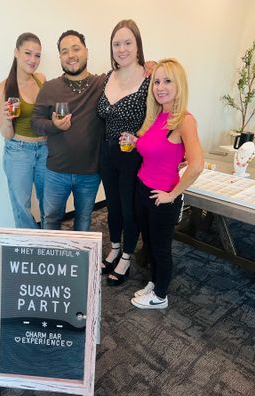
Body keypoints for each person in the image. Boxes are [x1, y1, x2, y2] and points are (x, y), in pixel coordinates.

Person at [129, 58, 204, 310]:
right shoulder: (158, 115)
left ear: (179, 85)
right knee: (149, 244)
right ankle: (155, 281)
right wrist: (133, 138)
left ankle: (160, 295)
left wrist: (173, 195)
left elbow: (196, 165)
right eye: (157, 81)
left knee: (161, 249)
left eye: (167, 81)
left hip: (162, 197)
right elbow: (148, 146)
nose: (160, 87)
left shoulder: (184, 120)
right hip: (142, 190)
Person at [31, 30, 105, 231]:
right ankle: (51, 260)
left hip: (90, 172)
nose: (71, 55)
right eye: (64, 51)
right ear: (60, 58)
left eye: (76, 49)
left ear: (87, 52)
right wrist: (54, 126)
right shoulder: (50, 87)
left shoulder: (102, 84)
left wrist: (147, 65)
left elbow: (127, 73)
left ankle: (79, 262)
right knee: (51, 219)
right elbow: (35, 122)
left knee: (83, 221)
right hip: (56, 171)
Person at [97, 19, 151, 286]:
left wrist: (139, 137)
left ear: (138, 46)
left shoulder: (149, 78)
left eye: (128, 42)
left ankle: (127, 256)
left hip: (132, 155)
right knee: (113, 207)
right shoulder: (108, 76)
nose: (122, 48)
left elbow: (154, 119)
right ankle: (115, 247)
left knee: (129, 210)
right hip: (106, 153)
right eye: (116, 43)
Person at [0, 32, 48, 229]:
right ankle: (30, 247)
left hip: (45, 149)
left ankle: (49, 243)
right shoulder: (3, 89)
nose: (33, 60)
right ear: (16, 52)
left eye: (37, 55)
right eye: (28, 53)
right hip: (18, 151)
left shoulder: (41, 79)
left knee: (49, 203)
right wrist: (8, 120)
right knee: (22, 207)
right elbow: (6, 134)